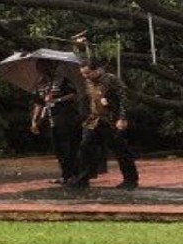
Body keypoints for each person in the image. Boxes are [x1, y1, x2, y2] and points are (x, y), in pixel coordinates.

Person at [68, 58, 139, 190]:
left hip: (111, 119)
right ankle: (84, 177)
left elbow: (123, 98)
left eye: (88, 73)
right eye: (83, 73)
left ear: (98, 70)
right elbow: (89, 99)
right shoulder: (88, 82)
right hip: (94, 119)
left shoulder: (111, 79)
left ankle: (130, 179)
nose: (86, 76)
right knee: (86, 148)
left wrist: (122, 118)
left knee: (120, 149)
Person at [30, 59, 81, 184]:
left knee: (69, 147)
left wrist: (57, 100)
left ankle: (75, 174)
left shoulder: (62, 80)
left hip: (65, 116)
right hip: (50, 118)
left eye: (43, 67)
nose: (41, 70)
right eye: (39, 68)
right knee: (58, 148)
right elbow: (38, 103)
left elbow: (73, 95)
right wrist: (34, 121)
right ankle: (65, 174)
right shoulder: (40, 84)